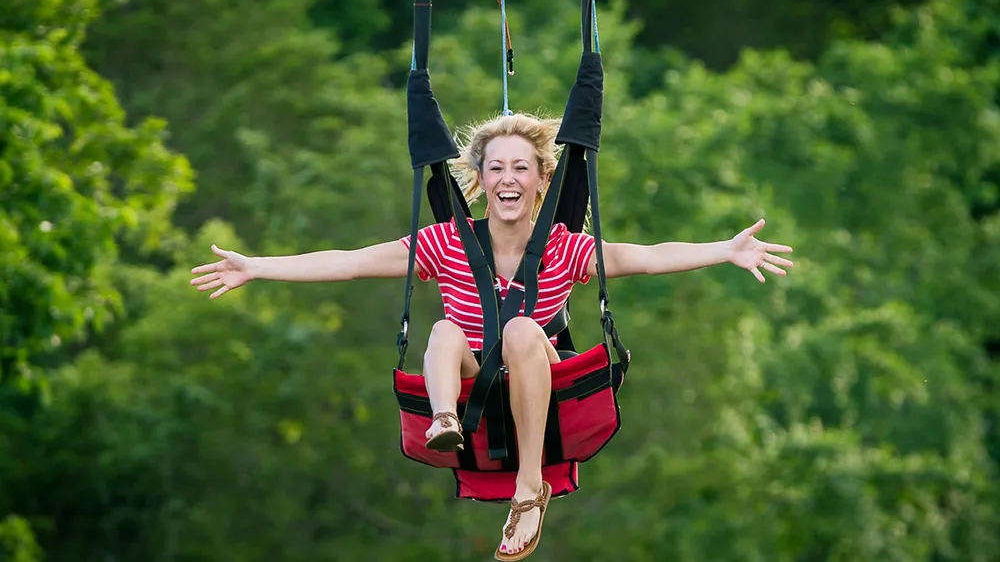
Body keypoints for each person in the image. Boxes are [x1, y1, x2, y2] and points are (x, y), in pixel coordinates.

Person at [189, 112, 795, 560]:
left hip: (541, 385)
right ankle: (445, 418)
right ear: (479, 181)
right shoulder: (446, 243)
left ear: (540, 182)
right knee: (446, 328)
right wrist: (259, 266)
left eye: (521, 169)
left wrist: (725, 251)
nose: (508, 179)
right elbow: (349, 261)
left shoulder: (564, 249)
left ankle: (530, 488)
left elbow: (644, 255)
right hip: (473, 386)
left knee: (525, 330)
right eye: (496, 168)